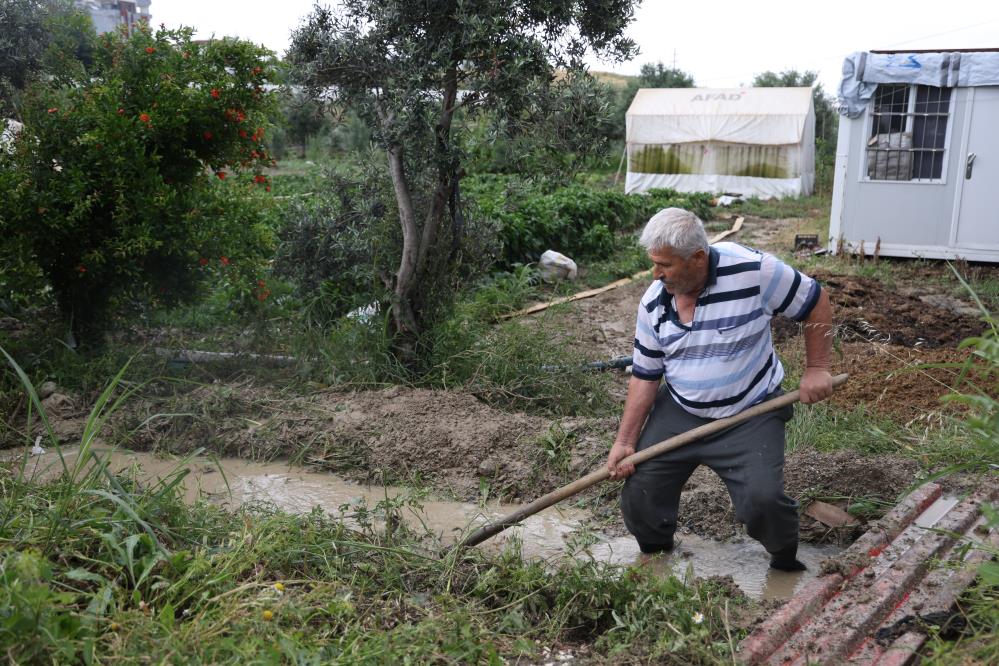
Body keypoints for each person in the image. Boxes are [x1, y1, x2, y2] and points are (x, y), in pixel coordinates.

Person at [606, 207, 833, 571]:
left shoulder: (755, 271)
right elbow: (645, 377)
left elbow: (815, 302)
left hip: (750, 410)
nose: (655, 273)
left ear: (698, 258)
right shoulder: (654, 301)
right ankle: (657, 560)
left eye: (664, 264)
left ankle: (784, 563)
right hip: (681, 411)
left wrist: (818, 369)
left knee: (763, 500)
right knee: (641, 493)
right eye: (653, 263)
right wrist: (625, 442)